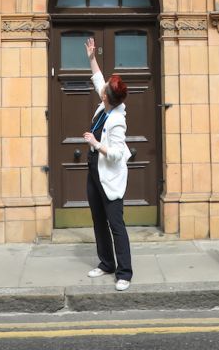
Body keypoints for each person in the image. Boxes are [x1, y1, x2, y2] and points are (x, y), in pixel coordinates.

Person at [83, 37, 134, 291]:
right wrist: (92, 58)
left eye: (104, 92)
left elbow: (115, 154)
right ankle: (106, 263)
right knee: (97, 219)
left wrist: (95, 142)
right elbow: (98, 81)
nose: (101, 90)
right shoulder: (105, 107)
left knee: (116, 224)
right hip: (94, 171)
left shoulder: (117, 120)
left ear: (109, 98)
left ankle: (124, 272)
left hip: (110, 175)